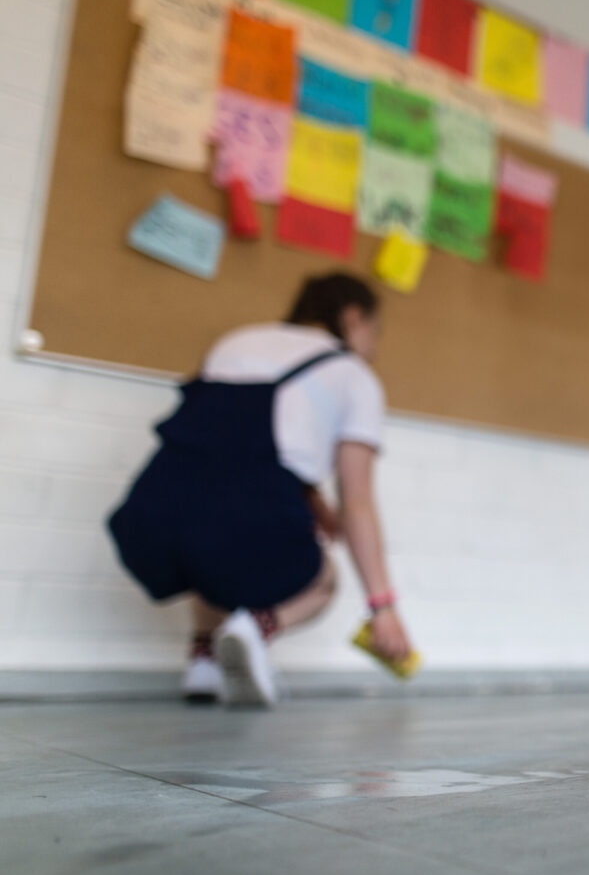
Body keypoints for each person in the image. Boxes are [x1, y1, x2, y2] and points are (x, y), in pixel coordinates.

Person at [108, 272, 411, 706]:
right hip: (240, 515)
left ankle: (203, 662)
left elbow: (222, 445)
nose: (374, 349)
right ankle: (254, 629)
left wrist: (311, 499)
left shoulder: (237, 340)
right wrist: (383, 607)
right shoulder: (353, 374)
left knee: (207, 539)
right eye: (374, 333)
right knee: (322, 579)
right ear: (353, 317)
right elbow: (357, 500)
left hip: (152, 514)